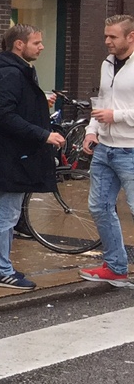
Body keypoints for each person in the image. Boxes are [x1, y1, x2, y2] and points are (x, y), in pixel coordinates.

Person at [0, 24, 65, 291]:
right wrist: (43, 135)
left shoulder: (11, 70)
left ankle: (0, 267)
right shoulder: (10, 73)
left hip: (8, 153)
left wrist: (37, 104)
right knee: (5, 214)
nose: (41, 47)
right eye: (36, 43)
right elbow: (4, 114)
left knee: (7, 212)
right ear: (19, 44)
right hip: (9, 155)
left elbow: (11, 108)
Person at [80, 14, 134, 284]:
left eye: (113, 36)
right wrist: (91, 130)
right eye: (105, 36)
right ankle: (115, 266)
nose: (107, 41)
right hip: (104, 148)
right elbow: (102, 101)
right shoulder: (107, 63)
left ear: (131, 37)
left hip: (131, 149)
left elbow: (113, 110)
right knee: (99, 207)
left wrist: (117, 116)